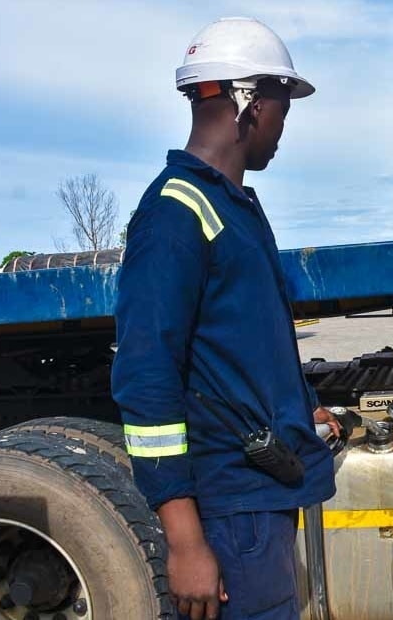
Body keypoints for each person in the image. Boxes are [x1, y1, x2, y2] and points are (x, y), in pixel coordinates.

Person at [111, 18, 340, 620]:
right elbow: (146, 379)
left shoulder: (231, 205)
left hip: (258, 496)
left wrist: (298, 406)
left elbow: (243, 346)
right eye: (282, 113)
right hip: (229, 510)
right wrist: (186, 542)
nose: (281, 131)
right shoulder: (174, 214)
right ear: (250, 104)